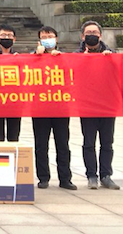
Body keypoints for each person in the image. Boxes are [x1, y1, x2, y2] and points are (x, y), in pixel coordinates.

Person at [76, 20, 120, 190]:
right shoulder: (76, 55)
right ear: (82, 36)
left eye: (94, 32)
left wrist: (111, 60)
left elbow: (121, 72)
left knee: (107, 142)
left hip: (107, 105)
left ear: (100, 35)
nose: (91, 35)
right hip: (87, 106)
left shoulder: (110, 54)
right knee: (89, 142)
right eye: (88, 33)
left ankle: (106, 175)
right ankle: (91, 175)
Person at [32, 26, 76, 190]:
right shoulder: (33, 57)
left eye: (49, 36)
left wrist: (60, 59)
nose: (47, 39)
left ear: (56, 39)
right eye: (43, 37)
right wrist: (37, 56)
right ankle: (43, 177)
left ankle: (65, 178)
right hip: (40, 108)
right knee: (41, 145)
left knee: (63, 145)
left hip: (60, 107)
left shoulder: (64, 57)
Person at [0, 24, 21, 143]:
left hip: (14, 100)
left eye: (9, 35)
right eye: (3, 35)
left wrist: (20, 62)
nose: (6, 38)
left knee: (14, 136)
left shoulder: (19, 55)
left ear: (14, 39)